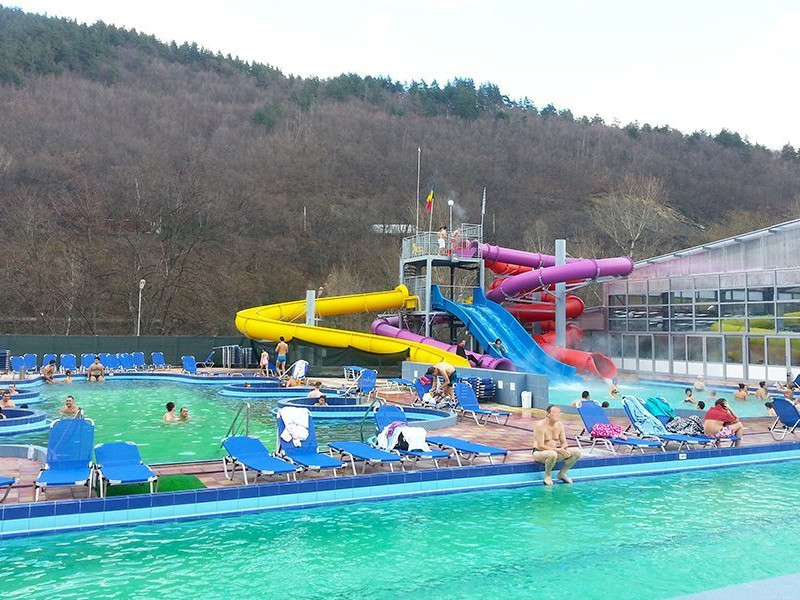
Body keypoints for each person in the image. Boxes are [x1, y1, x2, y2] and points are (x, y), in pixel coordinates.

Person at [533, 405, 581, 485]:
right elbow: (540, 446)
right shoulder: (540, 426)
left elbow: (564, 442)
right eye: (555, 412)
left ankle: (562, 473)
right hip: (539, 453)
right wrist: (558, 450)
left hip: (555, 452)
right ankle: (548, 475)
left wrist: (563, 449)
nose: (558, 415)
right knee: (552, 454)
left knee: (577, 452)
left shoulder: (559, 425)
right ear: (548, 414)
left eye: (559, 413)